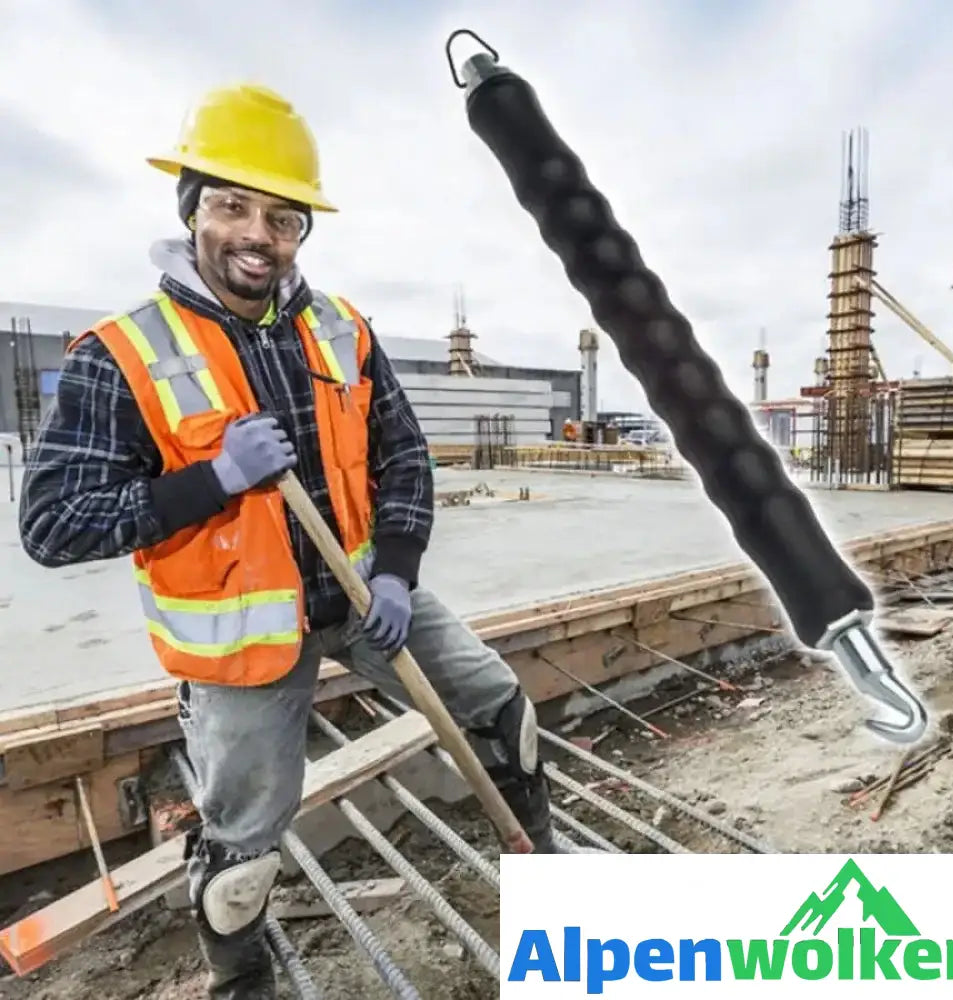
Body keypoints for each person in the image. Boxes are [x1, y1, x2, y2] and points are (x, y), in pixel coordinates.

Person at [18, 82, 569, 1000]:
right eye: (232, 205)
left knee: (501, 709)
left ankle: (548, 877)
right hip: (242, 644)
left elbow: (405, 460)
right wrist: (211, 480)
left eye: (282, 217)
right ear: (192, 210)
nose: (256, 235)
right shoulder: (121, 354)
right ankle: (244, 985)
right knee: (240, 855)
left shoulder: (340, 328)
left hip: (360, 596)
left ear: (301, 231)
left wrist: (396, 574)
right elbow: (50, 524)